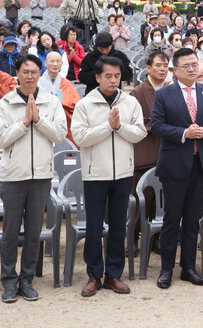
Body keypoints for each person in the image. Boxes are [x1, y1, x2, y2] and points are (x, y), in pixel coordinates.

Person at [150, 47, 203, 289]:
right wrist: (184, 133)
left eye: (195, 64)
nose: (193, 69)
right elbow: (157, 127)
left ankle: (189, 268)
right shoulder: (164, 94)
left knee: (193, 219)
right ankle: (166, 269)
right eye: (187, 66)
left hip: (200, 164)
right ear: (175, 69)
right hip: (174, 165)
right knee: (172, 219)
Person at [0, 54, 66, 303]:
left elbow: (59, 134)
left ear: (40, 73)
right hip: (13, 175)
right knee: (11, 231)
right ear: (18, 73)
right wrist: (24, 123)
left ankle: (27, 279)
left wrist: (38, 119)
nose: (30, 76)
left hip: (41, 174)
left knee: (34, 230)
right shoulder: (6, 102)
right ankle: (9, 281)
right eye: (25, 71)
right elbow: (0, 139)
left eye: (34, 71)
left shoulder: (50, 101)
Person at [71, 56, 146, 297]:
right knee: (93, 227)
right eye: (108, 76)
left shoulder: (130, 102)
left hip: (123, 173)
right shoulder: (85, 104)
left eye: (117, 76)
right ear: (97, 78)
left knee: (117, 226)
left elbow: (139, 133)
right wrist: (108, 126)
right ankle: (94, 275)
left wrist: (119, 127)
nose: (113, 80)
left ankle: (113, 274)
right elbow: (80, 138)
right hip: (95, 174)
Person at [130, 51, 169, 184]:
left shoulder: (172, 90)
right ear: (148, 68)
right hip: (146, 154)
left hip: (168, 153)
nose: (162, 69)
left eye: (165, 66)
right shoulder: (137, 92)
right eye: (158, 65)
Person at [38, 50, 80, 143]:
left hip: (62, 119)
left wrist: (60, 103)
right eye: (52, 61)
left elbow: (75, 103)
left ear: (62, 63)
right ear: (45, 63)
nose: (55, 64)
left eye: (58, 61)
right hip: (41, 120)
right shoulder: (38, 83)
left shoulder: (66, 84)